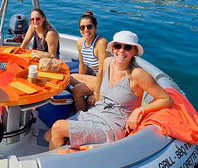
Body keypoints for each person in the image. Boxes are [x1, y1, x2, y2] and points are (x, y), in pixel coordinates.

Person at [44, 31, 173, 150]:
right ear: (112, 48)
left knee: (58, 128)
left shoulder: (137, 74)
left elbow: (167, 99)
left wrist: (139, 110)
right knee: (48, 135)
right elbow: (100, 81)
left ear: (134, 51)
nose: (121, 51)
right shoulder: (108, 62)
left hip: (112, 126)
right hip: (95, 113)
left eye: (127, 47)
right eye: (118, 46)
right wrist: (97, 95)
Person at [70, 11, 109, 112]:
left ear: (95, 28)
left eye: (89, 27)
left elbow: (103, 71)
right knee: (70, 77)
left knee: (77, 90)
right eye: (82, 27)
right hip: (97, 78)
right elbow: (82, 65)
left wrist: (96, 93)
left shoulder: (101, 43)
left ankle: (83, 115)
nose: (86, 30)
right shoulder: (80, 43)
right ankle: (84, 97)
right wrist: (80, 82)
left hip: (108, 80)